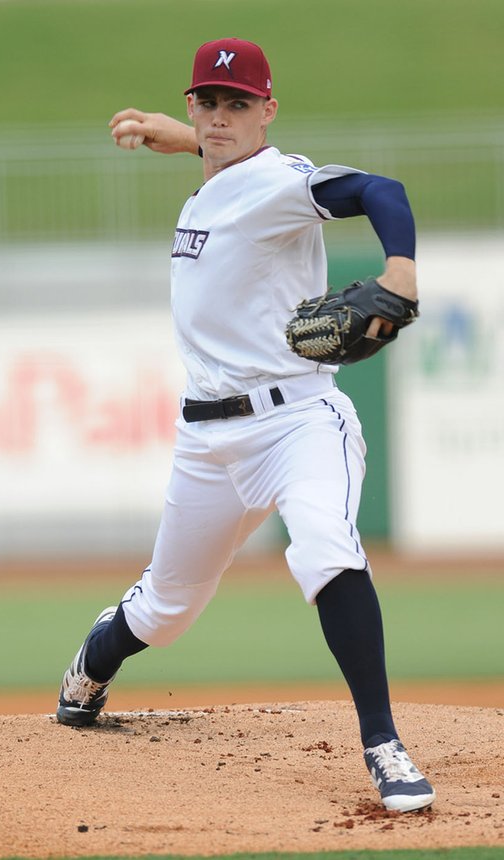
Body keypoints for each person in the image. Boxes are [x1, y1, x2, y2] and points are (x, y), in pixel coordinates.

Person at [55, 38, 435, 813]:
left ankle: (383, 744)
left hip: (297, 424)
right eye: (209, 102)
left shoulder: (281, 181)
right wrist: (186, 138)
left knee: (325, 545)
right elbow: (227, 170)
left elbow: (379, 188)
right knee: (166, 608)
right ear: (194, 106)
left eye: (239, 104)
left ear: (268, 111)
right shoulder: (212, 185)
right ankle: (93, 661)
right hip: (206, 440)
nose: (221, 116)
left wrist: (400, 269)